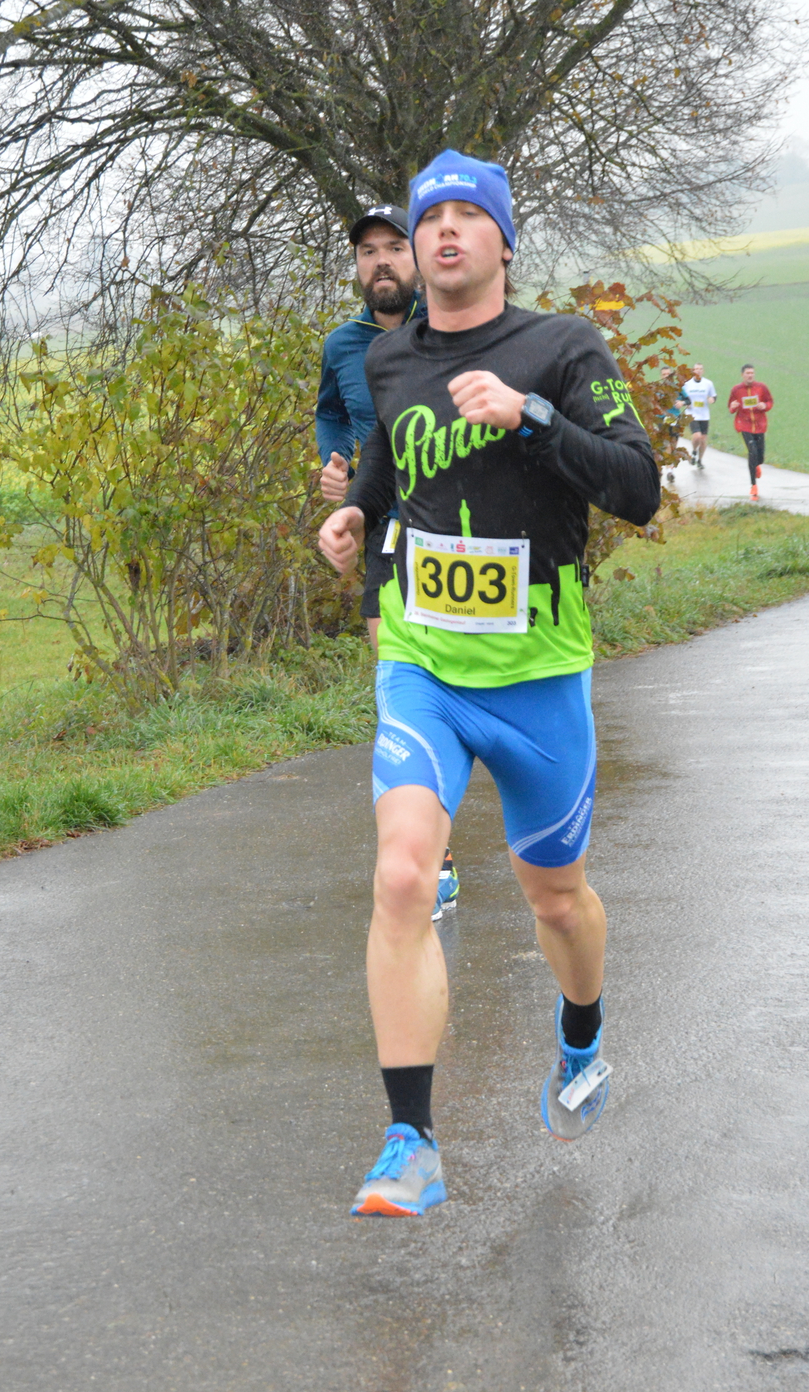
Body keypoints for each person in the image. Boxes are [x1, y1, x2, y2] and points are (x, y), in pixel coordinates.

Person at [318, 150, 659, 1218]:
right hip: (423, 662)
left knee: (556, 898)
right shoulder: (390, 358)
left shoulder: (562, 348)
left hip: (538, 675)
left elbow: (639, 486)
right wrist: (354, 512)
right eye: (432, 218)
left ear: (504, 243)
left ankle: (582, 1035)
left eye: (470, 215)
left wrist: (533, 418)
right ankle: (410, 1142)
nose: (446, 230)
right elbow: (388, 460)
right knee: (404, 876)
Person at [316, 204, 459, 919]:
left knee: (452, 682)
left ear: (418, 257)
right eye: (367, 250)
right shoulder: (344, 345)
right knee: (398, 679)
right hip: (383, 527)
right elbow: (331, 414)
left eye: (394, 248)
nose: (381, 261)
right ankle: (433, 858)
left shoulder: (453, 328)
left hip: (454, 526)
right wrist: (335, 466)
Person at [727, 364, 774, 500]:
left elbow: (769, 401)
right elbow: (731, 406)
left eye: (752, 373)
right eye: (747, 373)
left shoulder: (761, 387)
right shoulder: (736, 389)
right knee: (752, 451)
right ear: (742, 375)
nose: (750, 375)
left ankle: (757, 464)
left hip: (759, 425)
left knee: (760, 456)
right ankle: (753, 485)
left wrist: (764, 405)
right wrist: (733, 407)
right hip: (744, 425)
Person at [681, 363, 717, 466]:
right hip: (691, 414)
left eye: (700, 369)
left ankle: (700, 460)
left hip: (704, 415)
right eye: (696, 369)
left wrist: (712, 399)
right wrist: (685, 403)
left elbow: (714, 396)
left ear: (703, 371)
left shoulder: (708, 383)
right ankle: (693, 451)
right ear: (693, 371)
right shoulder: (687, 384)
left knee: (703, 439)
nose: (698, 371)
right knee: (697, 436)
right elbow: (682, 396)